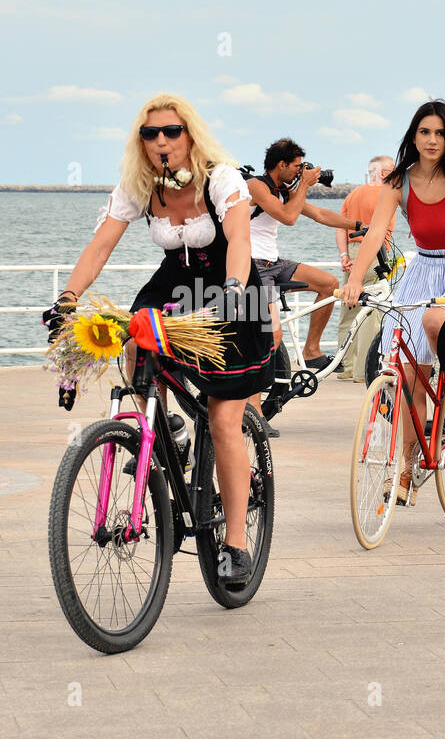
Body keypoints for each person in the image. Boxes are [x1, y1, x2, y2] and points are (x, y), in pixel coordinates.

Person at [43, 93, 274, 584]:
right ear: (140, 142)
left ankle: (234, 543)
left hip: (231, 287)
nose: (161, 141)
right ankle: (165, 424)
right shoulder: (139, 185)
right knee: (133, 334)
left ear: (190, 134)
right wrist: (67, 297)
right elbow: (101, 244)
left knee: (225, 418)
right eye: (151, 134)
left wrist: (234, 290)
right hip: (176, 283)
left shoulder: (221, 178)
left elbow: (239, 240)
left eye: (172, 131)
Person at [341, 100, 445, 506]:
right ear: (413, 136)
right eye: (425, 132)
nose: (432, 140)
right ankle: (408, 471)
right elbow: (376, 232)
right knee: (410, 373)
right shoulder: (398, 182)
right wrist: (356, 279)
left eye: (440, 133)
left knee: (435, 319)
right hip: (423, 269)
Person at [248, 138, 359, 371]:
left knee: (329, 284)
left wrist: (358, 225)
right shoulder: (256, 186)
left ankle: (311, 352)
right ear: (281, 165)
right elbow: (288, 218)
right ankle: (250, 386)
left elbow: (319, 213)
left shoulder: (283, 191)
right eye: (297, 166)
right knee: (273, 334)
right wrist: (305, 185)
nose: (301, 171)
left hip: (274, 263)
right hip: (254, 266)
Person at [336, 155, 396, 381]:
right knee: (370, 312)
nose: (395, 172)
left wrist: (344, 255)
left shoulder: (353, 195)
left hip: (351, 253)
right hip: (373, 254)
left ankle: (346, 367)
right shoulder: (387, 195)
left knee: (348, 310)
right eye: (391, 169)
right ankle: (363, 371)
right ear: (382, 172)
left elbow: (340, 227)